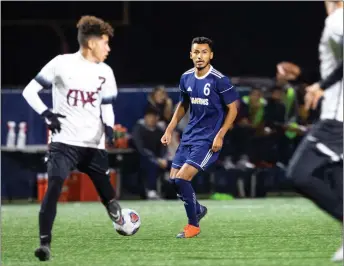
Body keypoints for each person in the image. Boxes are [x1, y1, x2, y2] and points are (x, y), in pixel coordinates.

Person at [22, 15, 123, 261]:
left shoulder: (106, 72)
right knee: (54, 186)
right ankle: (44, 244)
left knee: (108, 197)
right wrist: (47, 113)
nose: (108, 48)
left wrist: (109, 127)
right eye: (105, 43)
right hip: (63, 143)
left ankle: (120, 218)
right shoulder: (61, 64)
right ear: (91, 43)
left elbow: (107, 106)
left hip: (93, 144)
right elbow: (29, 91)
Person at [277, 1, 343, 262]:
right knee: (335, 177)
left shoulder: (336, 19)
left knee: (298, 174)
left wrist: (320, 86)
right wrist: (310, 80)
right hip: (337, 117)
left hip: (335, 122)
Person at [161, 36, 238, 238]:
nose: (200, 56)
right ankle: (198, 209)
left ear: (211, 55)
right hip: (189, 137)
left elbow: (233, 110)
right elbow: (183, 105)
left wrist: (220, 135)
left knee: (182, 179)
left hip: (208, 140)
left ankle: (193, 225)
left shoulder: (219, 80)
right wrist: (169, 129)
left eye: (204, 52)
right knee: (173, 180)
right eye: (196, 52)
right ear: (190, 55)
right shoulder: (186, 77)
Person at [132, 106, 170, 199]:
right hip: (140, 159)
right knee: (151, 164)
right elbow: (140, 148)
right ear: (145, 117)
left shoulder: (160, 130)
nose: (152, 119)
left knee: (174, 164)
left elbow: (164, 147)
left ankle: (174, 191)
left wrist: (163, 159)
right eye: (150, 116)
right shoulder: (139, 128)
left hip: (159, 159)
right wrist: (156, 159)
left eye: (154, 116)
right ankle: (151, 190)